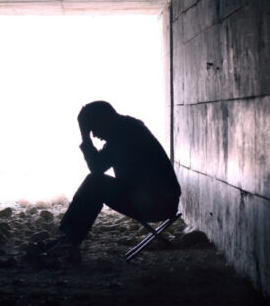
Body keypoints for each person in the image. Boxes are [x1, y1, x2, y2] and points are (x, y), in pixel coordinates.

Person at [46, 101, 181, 263]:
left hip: (157, 204)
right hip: (157, 200)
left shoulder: (125, 134)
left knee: (95, 183)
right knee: (95, 182)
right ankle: (69, 238)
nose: (94, 134)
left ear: (104, 119)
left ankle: (70, 239)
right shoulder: (126, 129)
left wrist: (84, 137)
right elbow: (99, 166)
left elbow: (96, 167)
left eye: (93, 128)